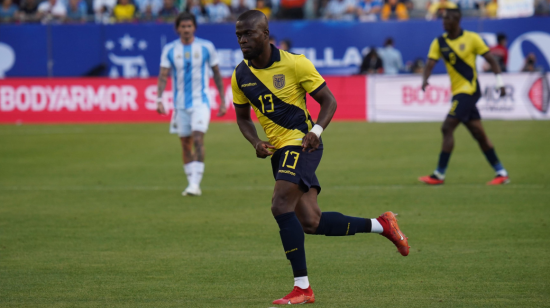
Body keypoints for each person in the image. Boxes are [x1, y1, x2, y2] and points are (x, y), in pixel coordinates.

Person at [232, 10, 409, 305]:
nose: (242, 40)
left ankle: (303, 288)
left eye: (248, 34)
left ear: (265, 34)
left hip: (302, 144)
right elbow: (242, 117)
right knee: (311, 222)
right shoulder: (240, 74)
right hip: (278, 151)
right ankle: (382, 224)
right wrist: (255, 142)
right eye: (238, 35)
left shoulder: (295, 63)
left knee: (280, 204)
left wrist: (317, 130)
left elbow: (329, 100)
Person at [419, 8, 509, 186]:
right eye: (443, 20)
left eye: (447, 20)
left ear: (456, 21)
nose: (443, 23)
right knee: (478, 133)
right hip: (459, 91)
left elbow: (491, 60)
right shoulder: (439, 42)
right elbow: (430, 63)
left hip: (470, 90)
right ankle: (501, 172)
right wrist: (424, 80)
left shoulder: (472, 38)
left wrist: (499, 82)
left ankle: (439, 174)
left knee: (447, 127)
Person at [156, 13, 227, 196]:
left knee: (198, 138)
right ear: (177, 28)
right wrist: (159, 99)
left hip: (201, 103)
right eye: (183, 26)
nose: (186, 29)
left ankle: (195, 184)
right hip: (180, 105)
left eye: (189, 26)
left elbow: (216, 73)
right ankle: (191, 183)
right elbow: (163, 75)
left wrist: (222, 100)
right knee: (185, 144)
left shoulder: (206, 47)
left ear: (194, 27)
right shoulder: (170, 49)